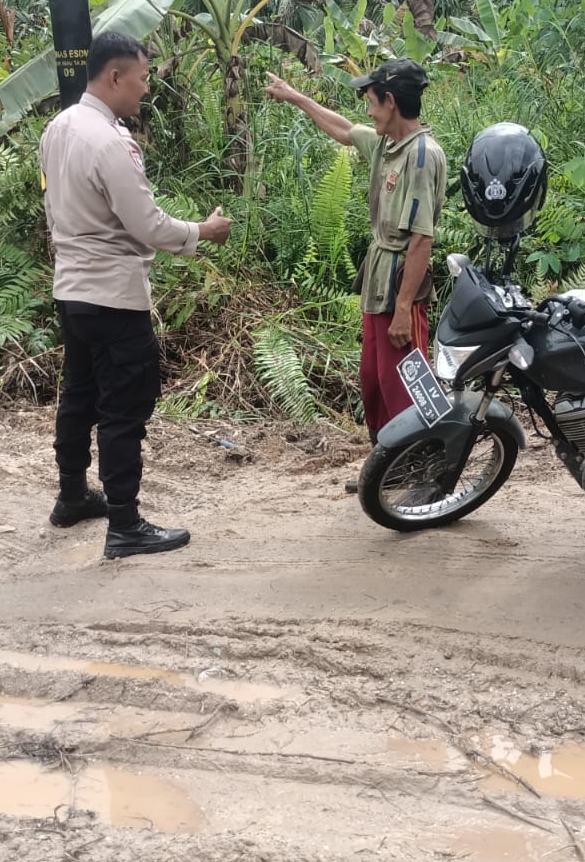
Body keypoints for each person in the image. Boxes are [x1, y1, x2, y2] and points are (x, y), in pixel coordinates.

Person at [41, 31, 233, 558]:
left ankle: (72, 496)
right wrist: (201, 232)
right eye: (143, 78)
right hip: (114, 295)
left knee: (78, 396)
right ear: (115, 76)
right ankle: (125, 525)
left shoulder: (58, 127)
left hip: (72, 290)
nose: (145, 89)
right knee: (124, 408)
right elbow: (147, 224)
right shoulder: (110, 141)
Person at [265, 59, 446, 481]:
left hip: (401, 283)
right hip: (377, 279)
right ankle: (390, 468)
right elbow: (344, 131)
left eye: (371, 101)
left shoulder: (421, 156)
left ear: (390, 101)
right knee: (375, 378)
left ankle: (429, 468)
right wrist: (296, 98)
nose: (367, 111)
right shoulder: (387, 144)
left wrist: (404, 308)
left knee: (406, 380)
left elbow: (421, 240)